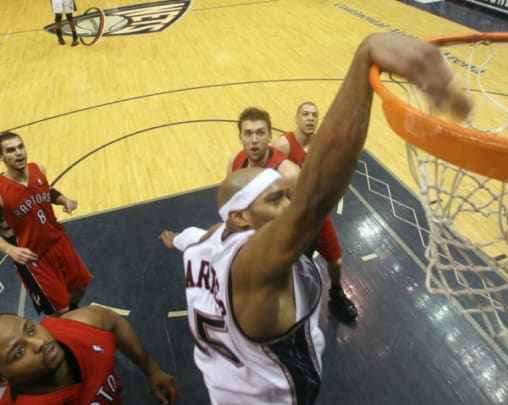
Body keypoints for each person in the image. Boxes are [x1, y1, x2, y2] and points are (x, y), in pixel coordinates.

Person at [160, 32, 472, 404]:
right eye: (276, 200)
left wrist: (174, 237)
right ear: (242, 219)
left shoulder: (205, 242)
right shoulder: (254, 268)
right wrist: (364, 58)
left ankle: (334, 291)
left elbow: (194, 237)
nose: (288, 205)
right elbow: (313, 200)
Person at [272, 101, 358, 321]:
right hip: (290, 218)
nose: (310, 118)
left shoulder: (323, 145)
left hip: (317, 215)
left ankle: (337, 295)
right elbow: (268, 179)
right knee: (287, 268)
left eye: (314, 115)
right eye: (306, 114)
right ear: (296, 119)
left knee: (336, 261)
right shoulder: (283, 145)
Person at [0, 306, 178, 404]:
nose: (39, 343)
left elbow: (113, 321)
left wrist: (152, 370)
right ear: (2, 380)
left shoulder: (80, 326)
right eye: (19, 352)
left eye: (31, 330)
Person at [0, 131, 93, 317]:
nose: (18, 153)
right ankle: (63, 333)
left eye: (20, 147)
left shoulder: (38, 170)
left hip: (59, 242)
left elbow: (46, 190)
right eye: (10, 150)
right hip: (34, 256)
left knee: (81, 287)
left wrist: (63, 199)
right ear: (1, 157)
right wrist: (10, 250)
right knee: (59, 310)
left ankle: (69, 317)